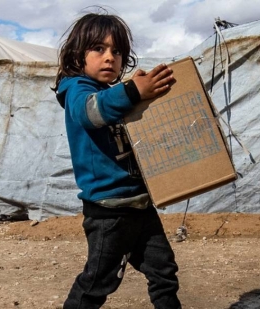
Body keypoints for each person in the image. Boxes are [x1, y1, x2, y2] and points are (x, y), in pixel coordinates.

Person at [52, 10, 181, 309]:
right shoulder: (77, 90)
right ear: (77, 55)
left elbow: (115, 107)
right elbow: (92, 112)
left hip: (139, 205)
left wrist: (133, 91)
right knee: (98, 283)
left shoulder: (110, 94)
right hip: (109, 212)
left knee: (164, 273)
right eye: (98, 49)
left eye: (117, 51)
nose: (109, 57)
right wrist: (132, 91)